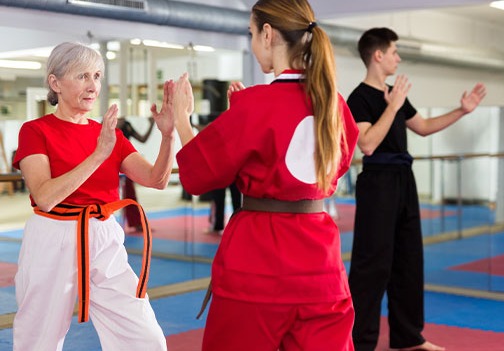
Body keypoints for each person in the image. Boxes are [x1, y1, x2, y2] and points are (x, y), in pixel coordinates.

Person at [171, 0, 359, 349]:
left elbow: (197, 175)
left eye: (252, 34)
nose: (254, 44)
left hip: (257, 263)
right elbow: (332, 169)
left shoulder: (255, 105)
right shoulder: (335, 104)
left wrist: (182, 119)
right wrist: (245, 122)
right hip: (321, 264)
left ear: (268, 34)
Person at [11, 41, 174, 350]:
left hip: (103, 234)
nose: (93, 85)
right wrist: (99, 155)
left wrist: (167, 136)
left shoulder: (108, 134)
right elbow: (45, 196)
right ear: (55, 83)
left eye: (97, 75)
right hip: (53, 234)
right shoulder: (35, 130)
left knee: (144, 336)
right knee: (38, 336)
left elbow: (157, 179)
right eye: (83, 75)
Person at [346, 27, 486, 351]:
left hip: (403, 180)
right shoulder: (358, 98)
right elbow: (366, 144)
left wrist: (461, 111)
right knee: (372, 264)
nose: (398, 57)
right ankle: (358, 341)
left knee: (409, 259)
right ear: (378, 55)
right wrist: (392, 107)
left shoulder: (395, 93)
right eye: (394, 51)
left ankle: (409, 337)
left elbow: (422, 127)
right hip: (377, 182)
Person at [117, 116, 155, 232]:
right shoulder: (107, 123)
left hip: (124, 162)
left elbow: (143, 139)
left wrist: (151, 124)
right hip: (109, 161)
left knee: (130, 194)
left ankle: (136, 222)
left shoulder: (126, 125)